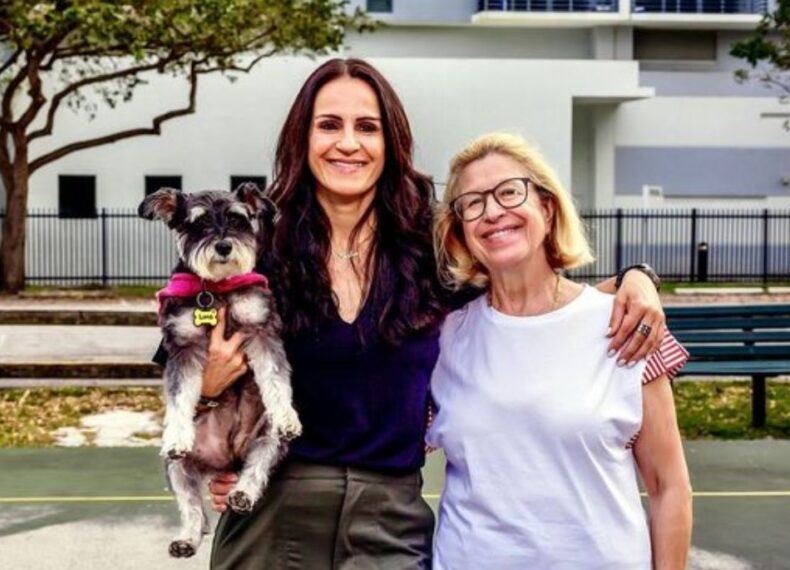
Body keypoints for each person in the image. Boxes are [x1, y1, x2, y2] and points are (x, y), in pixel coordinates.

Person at [159, 58, 667, 569]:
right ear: (302, 138)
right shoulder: (257, 244)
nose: (349, 143)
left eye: (367, 127)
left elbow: (534, 295)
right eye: (329, 125)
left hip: (391, 518)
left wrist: (635, 277)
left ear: (391, 142)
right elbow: (183, 351)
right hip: (273, 509)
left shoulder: (427, 248)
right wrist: (208, 399)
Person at [428, 132, 693, 569]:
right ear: (460, 232)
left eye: (510, 192)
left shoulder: (627, 322)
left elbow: (669, 487)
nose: (493, 212)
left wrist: (638, 276)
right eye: (472, 203)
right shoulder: (441, 340)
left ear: (547, 208)